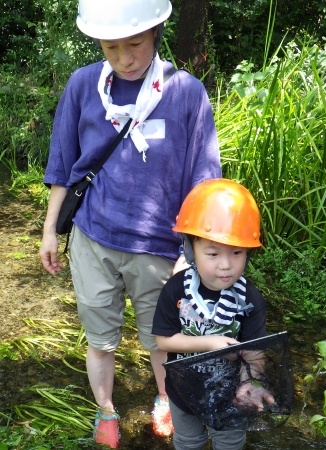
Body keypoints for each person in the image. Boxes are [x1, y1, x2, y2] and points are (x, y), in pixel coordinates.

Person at [39, 0, 221, 447]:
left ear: (157, 30)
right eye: (110, 45)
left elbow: (204, 181)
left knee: (163, 341)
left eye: (135, 43)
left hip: (159, 248)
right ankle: (106, 411)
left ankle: (165, 399)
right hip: (93, 239)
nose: (123, 57)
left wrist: (192, 257)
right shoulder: (84, 85)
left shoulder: (185, 92)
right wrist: (48, 231)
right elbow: (63, 165)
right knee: (100, 340)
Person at [152, 178, 274, 450]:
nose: (226, 265)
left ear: (249, 253)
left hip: (230, 395)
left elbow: (254, 351)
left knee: (229, 444)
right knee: (188, 442)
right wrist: (211, 344)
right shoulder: (176, 290)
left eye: (237, 252)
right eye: (212, 253)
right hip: (182, 392)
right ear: (190, 249)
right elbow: (164, 340)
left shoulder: (250, 298)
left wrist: (250, 383)